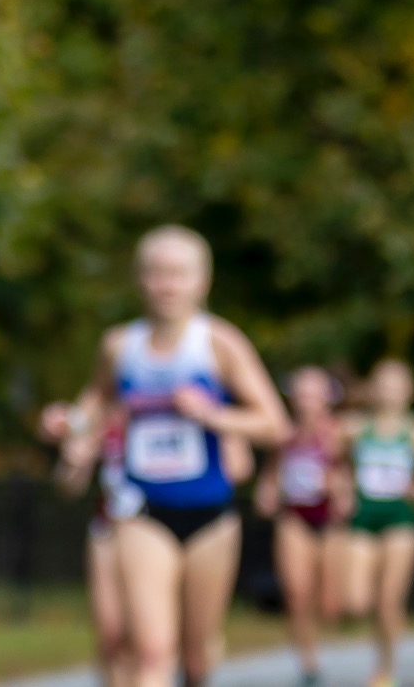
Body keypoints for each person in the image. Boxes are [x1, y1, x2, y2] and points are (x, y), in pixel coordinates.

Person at [87, 225, 289, 687]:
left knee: (197, 659)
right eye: (156, 273)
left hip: (211, 520)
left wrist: (211, 415)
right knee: (153, 651)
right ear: (140, 279)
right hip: (142, 514)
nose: (166, 284)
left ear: (203, 282)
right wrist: (68, 424)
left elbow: (274, 424)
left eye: (178, 274)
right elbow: (93, 408)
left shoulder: (219, 343)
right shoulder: (120, 346)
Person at [336, 358, 414, 687]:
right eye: (383, 384)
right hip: (363, 516)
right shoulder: (354, 427)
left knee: (389, 601)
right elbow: (336, 466)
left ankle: (385, 669)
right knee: (355, 600)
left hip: (401, 518)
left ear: (410, 392)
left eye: (397, 385)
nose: (389, 392)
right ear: (372, 389)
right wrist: (342, 490)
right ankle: (377, 643)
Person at [255, 366, 348, 687]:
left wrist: (339, 488)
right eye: (301, 394)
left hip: (330, 521)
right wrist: (266, 494)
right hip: (294, 516)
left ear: (328, 399)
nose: (307, 402)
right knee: (296, 593)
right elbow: (271, 475)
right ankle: (308, 664)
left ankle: (325, 636)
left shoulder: (339, 434)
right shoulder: (284, 434)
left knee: (331, 603)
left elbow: (352, 477)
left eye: (314, 395)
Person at [41, 400, 140, 687]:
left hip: (154, 530)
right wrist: (73, 459)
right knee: (110, 636)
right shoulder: (97, 418)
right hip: (108, 530)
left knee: (144, 638)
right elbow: (68, 486)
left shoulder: (165, 408)